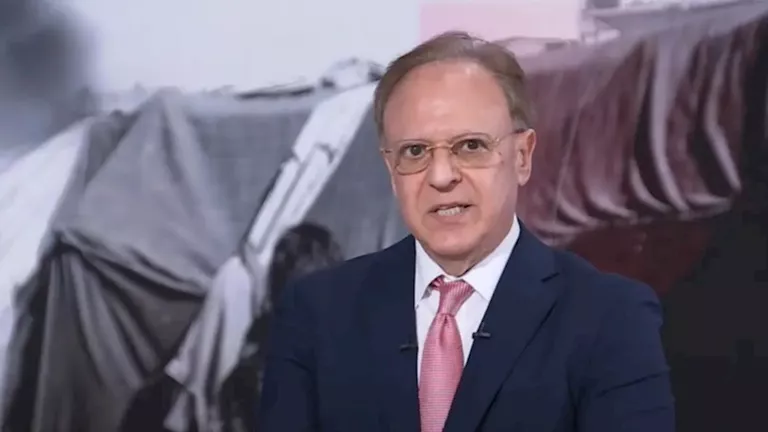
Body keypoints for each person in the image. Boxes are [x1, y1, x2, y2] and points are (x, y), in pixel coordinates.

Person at [258, 31, 674, 432]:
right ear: (391, 170)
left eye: (470, 146)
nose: (441, 176)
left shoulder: (611, 319)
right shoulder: (315, 315)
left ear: (523, 156)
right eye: (415, 151)